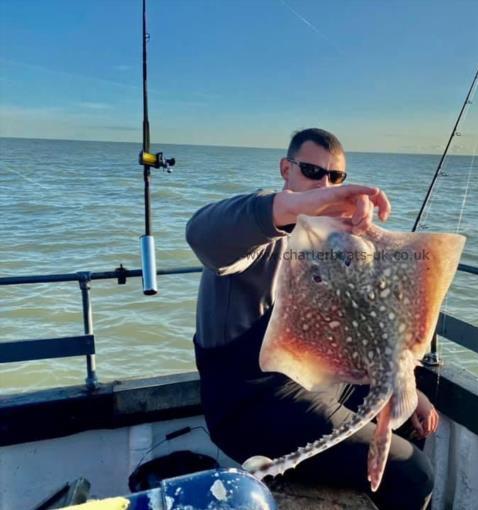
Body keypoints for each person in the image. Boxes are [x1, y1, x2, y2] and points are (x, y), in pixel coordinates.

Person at [186, 128, 438, 510]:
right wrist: (287, 208)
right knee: (415, 475)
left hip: (315, 379)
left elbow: (357, 331)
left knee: (407, 424)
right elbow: (202, 235)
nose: (323, 184)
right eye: (311, 171)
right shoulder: (255, 230)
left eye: (335, 178)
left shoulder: (329, 243)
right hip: (253, 402)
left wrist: (407, 389)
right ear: (286, 169)